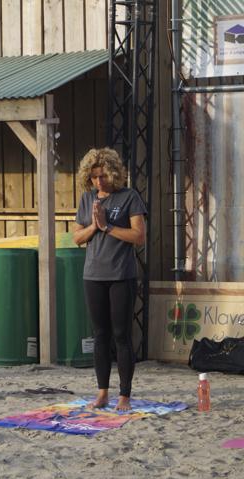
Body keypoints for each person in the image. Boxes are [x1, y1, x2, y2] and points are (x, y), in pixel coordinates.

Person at [72, 148, 146, 411]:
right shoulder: (87, 199)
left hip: (121, 276)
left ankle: (124, 395)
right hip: (93, 276)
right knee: (100, 335)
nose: (98, 182)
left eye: (102, 176)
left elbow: (139, 237)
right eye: (93, 177)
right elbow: (77, 238)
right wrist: (94, 226)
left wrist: (108, 227)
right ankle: (102, 393)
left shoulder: (129, 197)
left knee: (121, 336)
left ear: (113, 173)